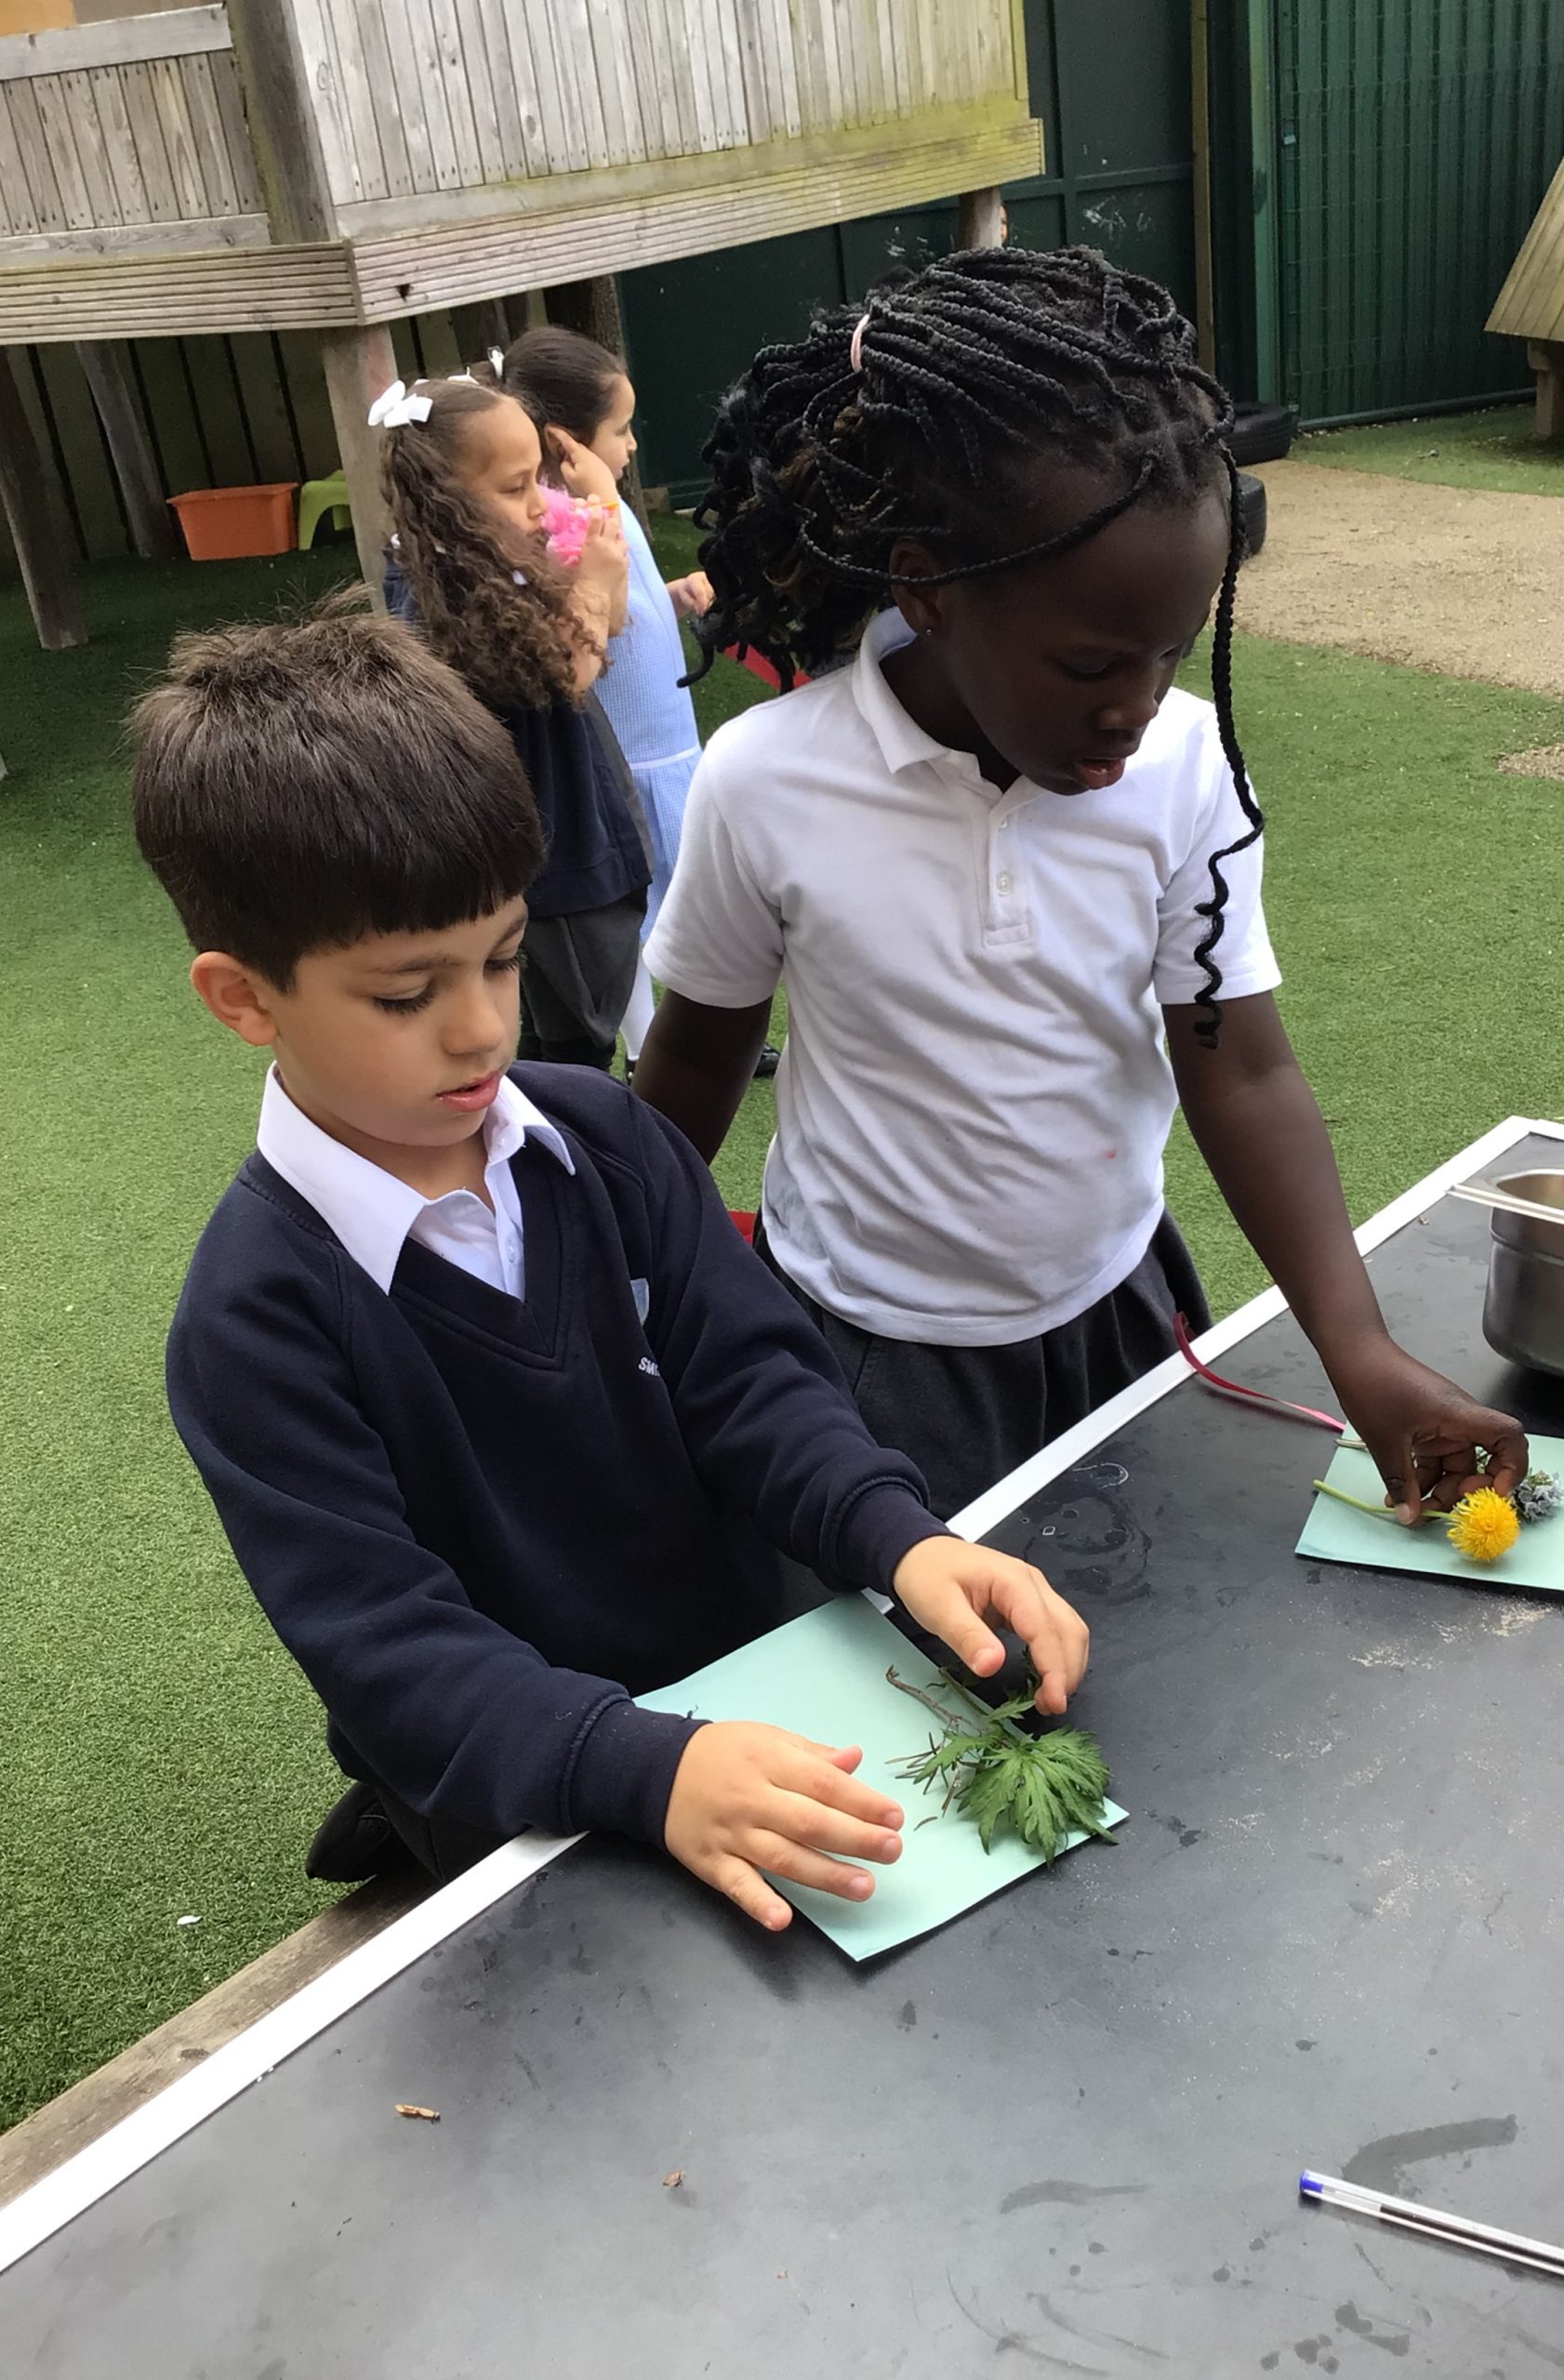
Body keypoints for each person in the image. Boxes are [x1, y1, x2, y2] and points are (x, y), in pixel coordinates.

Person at [132, 607, 1088, 1924]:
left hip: (763, 1694)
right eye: (406, 994)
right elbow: (392, 1651)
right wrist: (648, 1766)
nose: (482, 1028)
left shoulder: (608, 1141)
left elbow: (757, 1386)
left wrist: (900, 1537)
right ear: (244, 998)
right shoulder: (255, 1322)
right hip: (533, 1807)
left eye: (504, 956)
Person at [633, 245, 1529, 1522]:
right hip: (865, 1351)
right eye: (1093, 664)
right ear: (925, 588)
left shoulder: (1186, 768)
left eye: (1171, 653)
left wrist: (1360, 1348)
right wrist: (617, 1287)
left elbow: (1241, 1068)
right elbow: (693, 1060)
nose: (1136, 706)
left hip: (1120, 1312)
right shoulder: (766, 779)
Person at [498, 324, 778, 1078]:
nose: (630, 445)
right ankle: (648, 1049)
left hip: (668, 752)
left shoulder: (606, 508)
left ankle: (699, 1030)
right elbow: (604, 616)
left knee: (686, 909)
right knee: (629, 921)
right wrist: (598, 498)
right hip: (632, 763)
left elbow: (633, 601)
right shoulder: (566, 520)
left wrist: (673, 596)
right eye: (618, 429)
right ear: (565, 442)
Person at [375, 371, 650, 1071]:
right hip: (546, 846)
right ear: (443, 498)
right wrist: (592, 583)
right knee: (572, 1029)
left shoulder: (484, 561)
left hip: (554, 831)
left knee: (553, 1022)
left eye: (539, 480)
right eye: (514, 487)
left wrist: (601, 565)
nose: (539, 503)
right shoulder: (449, 592)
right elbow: (566, 672)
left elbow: (609, 629)